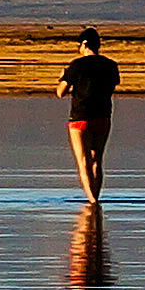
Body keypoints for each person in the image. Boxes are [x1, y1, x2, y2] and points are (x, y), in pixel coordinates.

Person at [60, 26, 122, 201]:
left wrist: (64, 77)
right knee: (97, 159)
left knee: (83, 161)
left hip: (80, 117)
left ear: (84, 45)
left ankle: (92, 202)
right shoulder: (110, 65)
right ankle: (96, 197)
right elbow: (112, 86)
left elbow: (60, 92)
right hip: (103, 117)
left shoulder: (76, 65)